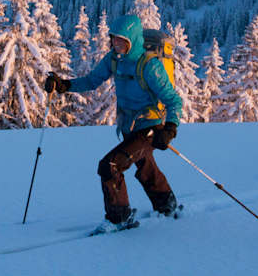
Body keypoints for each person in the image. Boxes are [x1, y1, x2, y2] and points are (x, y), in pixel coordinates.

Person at [44, 15, 182, 227]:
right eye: (114, 39)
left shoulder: (149, 66)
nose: (116, 44)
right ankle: (167, 205)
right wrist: (65, 85)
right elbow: (92, 80)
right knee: (145, 166)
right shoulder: (114, 60)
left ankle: (120, 218)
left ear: (133, 40)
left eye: (121, 40)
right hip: (129, 125)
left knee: (110, 166)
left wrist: (170, 128)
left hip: (150, 127)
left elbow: (173, 101)